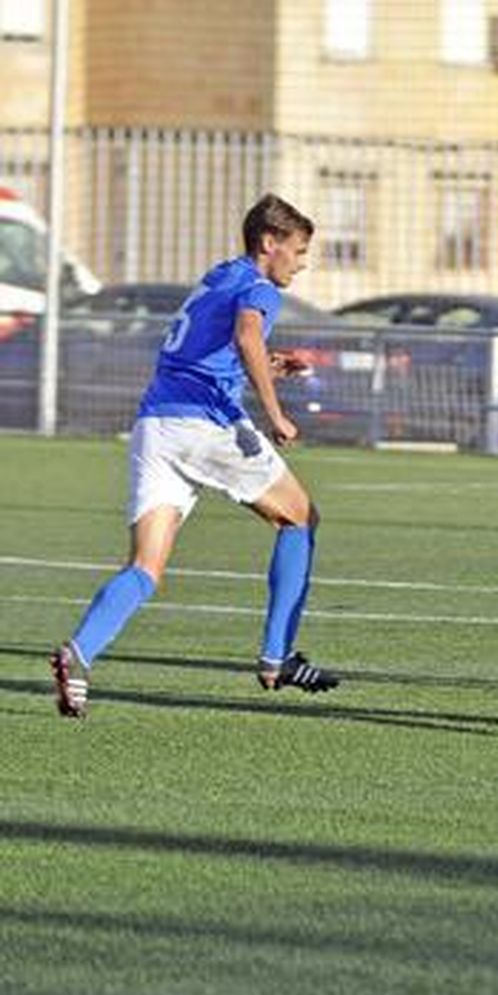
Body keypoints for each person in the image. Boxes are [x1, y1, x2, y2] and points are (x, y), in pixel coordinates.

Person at [49, 193, 339, 717]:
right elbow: (246, 335)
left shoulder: (220, 276)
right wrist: (274, 413)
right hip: (205, 424)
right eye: (297, 250)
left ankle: (78, 655)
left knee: (145, 567)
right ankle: (278, 657)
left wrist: (270, 367)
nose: (302, 261)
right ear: (268, 243)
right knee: (300, 518)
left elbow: (209, 352)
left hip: (156, 425)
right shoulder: (260, 288)